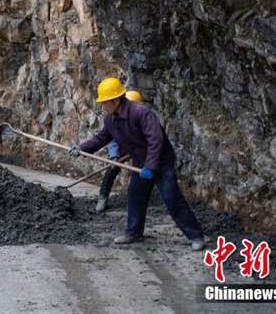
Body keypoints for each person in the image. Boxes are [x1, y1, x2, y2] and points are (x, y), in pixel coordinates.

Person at [69, 78, 206, 251]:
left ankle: (196, 236)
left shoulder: (141, 112)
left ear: (116, 100)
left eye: (105, 102)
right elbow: (102, 137)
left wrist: (151, 165)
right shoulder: (111, 118)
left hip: (160, 162)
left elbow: (156, 141)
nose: (104, 106)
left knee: (172, 198)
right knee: (135, 196)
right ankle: (133, 232)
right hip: (141, 163)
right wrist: (82, 147)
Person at [95, 90, 143, 212]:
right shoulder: (114, 118)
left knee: (144, 172)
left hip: (139, 149)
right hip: (122, 148)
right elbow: (111, 139)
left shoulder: (141, 116)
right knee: (112, 169)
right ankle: (103, 196)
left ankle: (140, 197)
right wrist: (114, 156)